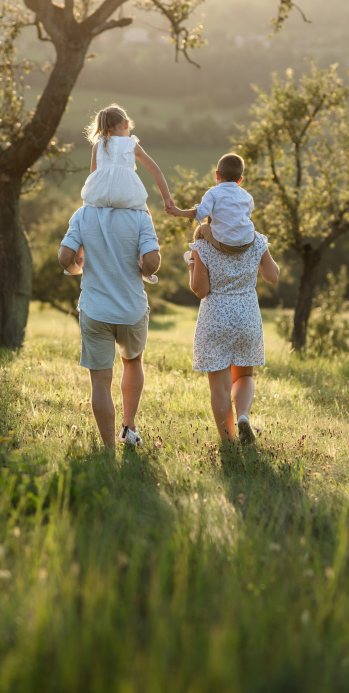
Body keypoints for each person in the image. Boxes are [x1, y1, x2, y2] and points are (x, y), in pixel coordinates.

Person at [58, 203, 160, 449]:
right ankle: (129, 427)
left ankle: (108, 449)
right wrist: (141, 269)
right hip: (131, 309)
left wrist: (77, 268)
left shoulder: (83, 214)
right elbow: (153, 263)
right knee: (133, 362)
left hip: (95, 309)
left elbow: (65, 258)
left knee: (101, 381)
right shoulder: (140, 216)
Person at [186, 227, 279, 443]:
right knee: (244, 376)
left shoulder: (202, 246)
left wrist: (192, 265)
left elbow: (200, 289)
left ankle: (228, 442)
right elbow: (272, 276)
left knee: (220, 386)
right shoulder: (255, 240)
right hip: (247, 316)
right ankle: (243, 416)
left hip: (216, 317)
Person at [81, 104, 174, 283]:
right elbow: (156, 171)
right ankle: (143, 260)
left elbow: (93, 176)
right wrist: (167, 199)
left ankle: (81, 255)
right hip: (126, 195)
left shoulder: (98, 145)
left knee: (84, 218)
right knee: (146, 218)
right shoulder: (132, 144)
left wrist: (90, 201)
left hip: (100, 196)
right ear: (126, 124)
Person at [167, 152, 255, 255]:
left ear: (217, 174)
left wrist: (180, 212)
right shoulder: (247, 196)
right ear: (240, 180)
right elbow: (246, 216)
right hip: (247, 242)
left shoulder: (213, 193)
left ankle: (194, 259)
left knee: (201, 230)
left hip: (226, 244)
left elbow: (200, 214)